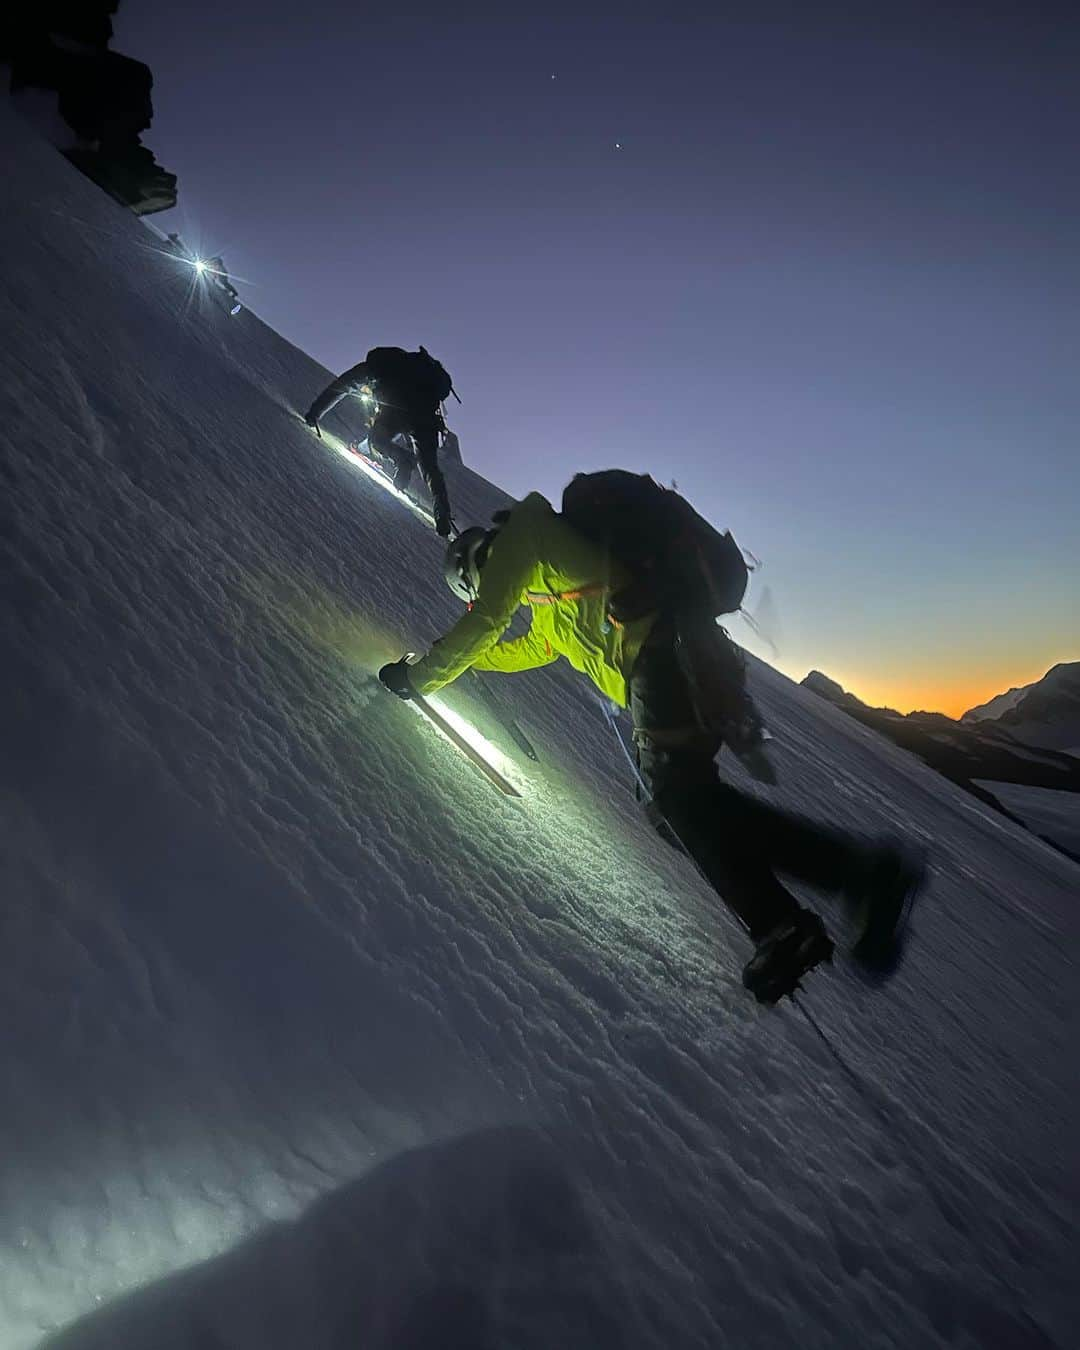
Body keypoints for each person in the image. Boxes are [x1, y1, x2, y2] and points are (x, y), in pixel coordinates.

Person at [378, 489, 924, 1004]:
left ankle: (805, 909)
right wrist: (446, 662)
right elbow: (520, 649)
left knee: (675, 798)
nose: (486, 597)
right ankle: (843, 884)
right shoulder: (550, 600)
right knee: (671, 809)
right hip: (671, 668)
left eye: (475, 590)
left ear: (475, 565)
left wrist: (421, 677)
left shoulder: (527, 533)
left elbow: (490, 623)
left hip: (666, 658)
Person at [304, 346, 456, 537]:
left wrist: (315, 412)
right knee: (429, 467)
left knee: (376, 440)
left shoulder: (372, 369)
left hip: (397, 410)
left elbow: (339, 387)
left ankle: (402, 459)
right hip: (426, 418)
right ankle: (442, 509)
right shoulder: (410, 370)